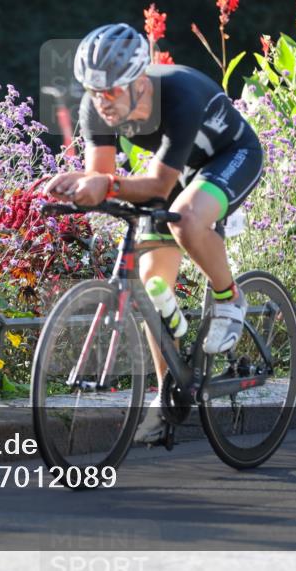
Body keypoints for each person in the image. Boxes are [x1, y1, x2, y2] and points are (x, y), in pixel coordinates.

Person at [43, 23, 265, 444]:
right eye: (93, 90)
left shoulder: (178, 95)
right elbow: (102, 176)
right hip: (179, 169)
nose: (102, 100)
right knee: (150, 284)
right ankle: (167, 394)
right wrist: (77, 187)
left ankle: (229, 297)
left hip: (231, 156)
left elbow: (158, 187)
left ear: (140, 82)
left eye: (111, 90)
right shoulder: (96, 108)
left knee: (187, 218)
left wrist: (104, 185)